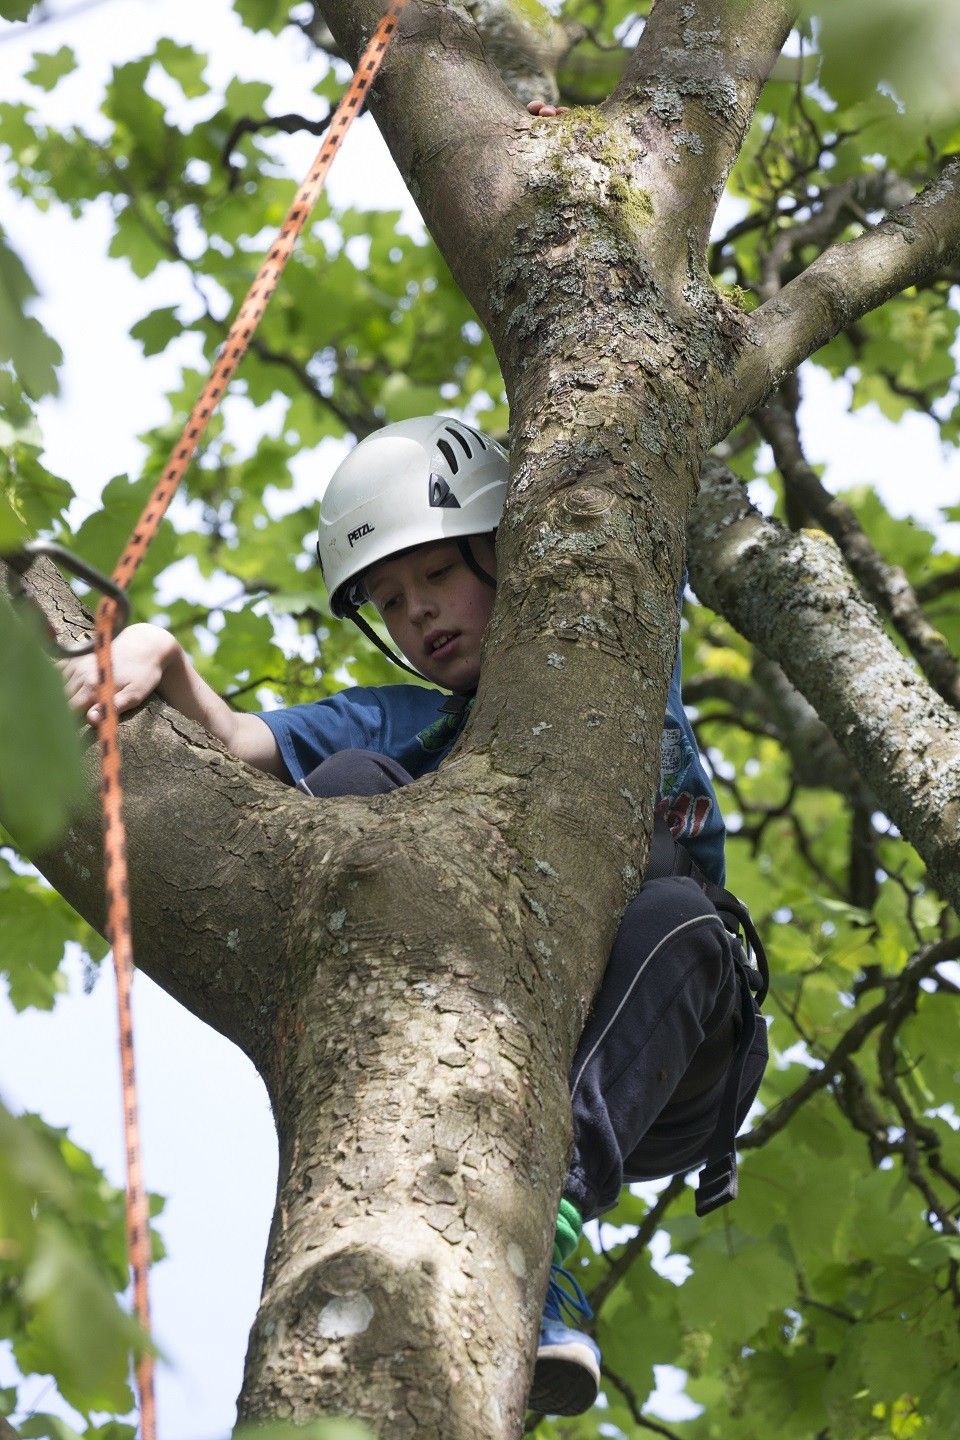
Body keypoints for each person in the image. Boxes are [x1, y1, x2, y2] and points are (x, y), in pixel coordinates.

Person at [60, 414, 768, 1419]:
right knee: (349, 783)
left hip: (661, 1037)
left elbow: (632, 478)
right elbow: (235, 741)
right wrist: (152, 648)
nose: (420, 614)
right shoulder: (402, 718)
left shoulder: (612, 631)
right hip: (482, 1002)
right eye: (391, 603)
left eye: (437, 575)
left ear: (504, 548)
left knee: (681, 912)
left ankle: (545, 1234)